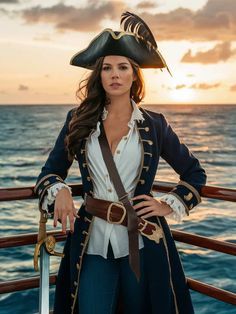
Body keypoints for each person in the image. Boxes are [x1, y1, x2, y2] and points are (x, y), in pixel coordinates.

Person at [34, 11, 206, 314]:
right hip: (93, 242)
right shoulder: (78, 120)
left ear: (133, 75)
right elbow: (50, 172)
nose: (115, 74)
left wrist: (168, 203)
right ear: (99, 75)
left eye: (122, 67)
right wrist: (60, 189)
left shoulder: (155, 124)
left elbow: (194, 173)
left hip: (142, 242)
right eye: (107, 68)